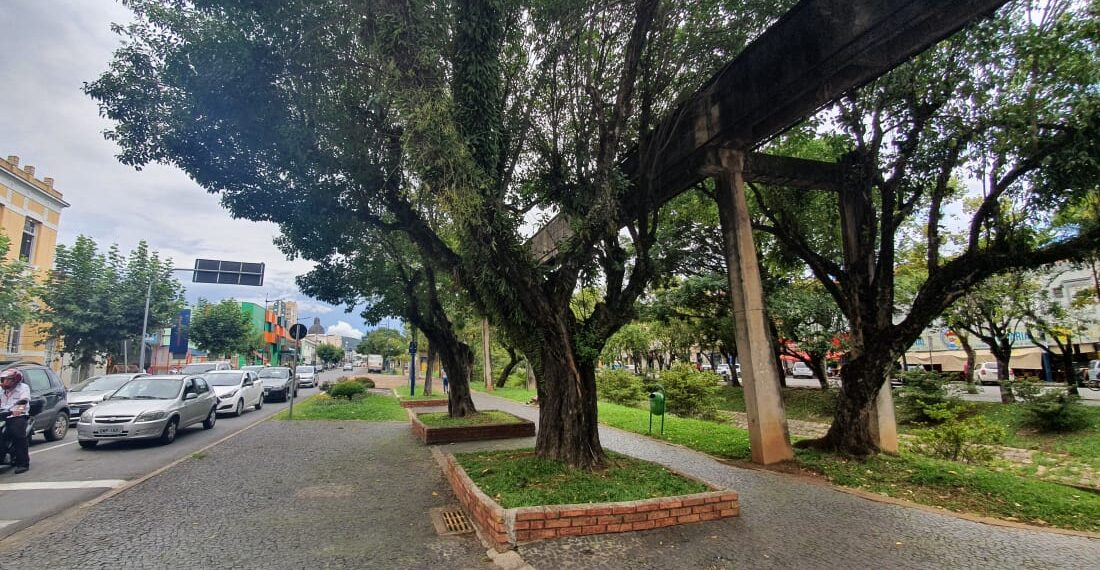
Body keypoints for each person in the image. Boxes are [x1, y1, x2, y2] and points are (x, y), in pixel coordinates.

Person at [1, 369, 31, 474]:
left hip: (17, 416)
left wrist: (18, 410)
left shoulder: (23, 388)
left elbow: (24, 400)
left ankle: (23, 464)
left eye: (8, 379)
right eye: (3, 379)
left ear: (16, 380)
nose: (5, 382)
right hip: (2, 415)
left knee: (18, 434)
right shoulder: (1, 390)